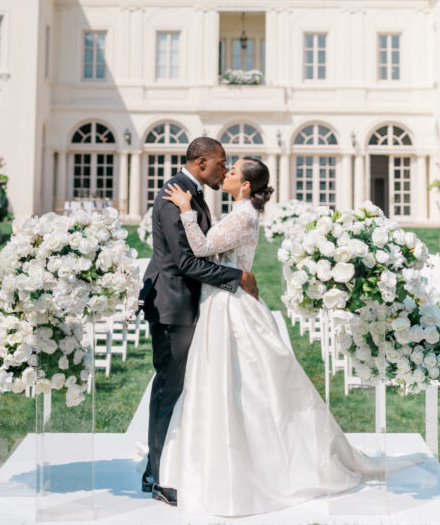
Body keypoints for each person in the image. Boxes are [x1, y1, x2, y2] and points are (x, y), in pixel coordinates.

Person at [159, 156, 382, 517]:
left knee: (243, 384)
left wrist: (186, 209)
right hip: (223, 300)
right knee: (230, 384)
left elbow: (200, 249)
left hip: (230, 306)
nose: (226, 173)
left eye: (232, 172)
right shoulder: (240, 213)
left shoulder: (243, 215)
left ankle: (261, 465)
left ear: (245, 185)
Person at [138, 137, 259, 506]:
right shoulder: (174, 195)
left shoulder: (192, 193)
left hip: (188, 302)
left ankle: (167, 466)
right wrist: (237, 278)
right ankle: (157, 475)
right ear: (202, 162)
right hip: (173, 304)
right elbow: (186, 262)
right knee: (169, 386)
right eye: (222, 164)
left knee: (183, 387)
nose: (224, 171)